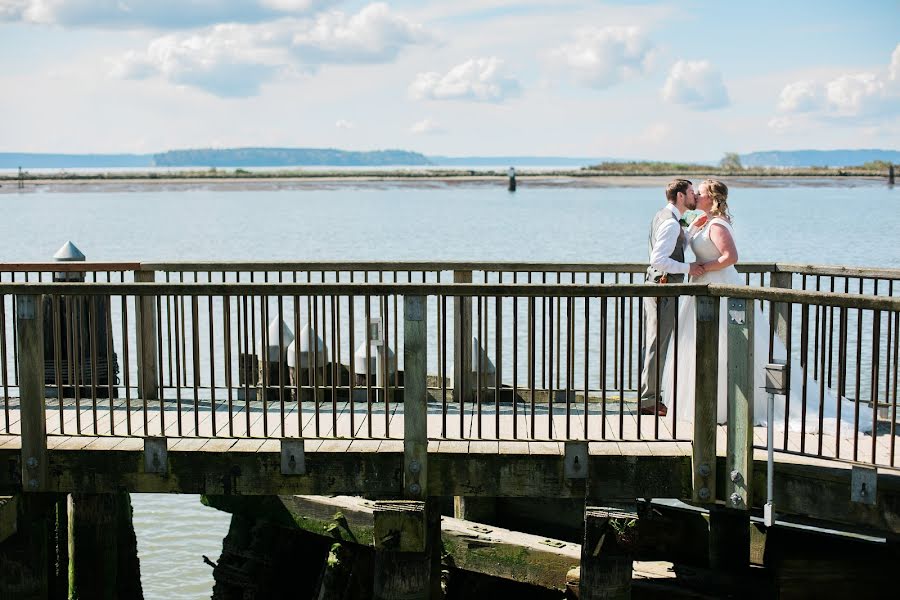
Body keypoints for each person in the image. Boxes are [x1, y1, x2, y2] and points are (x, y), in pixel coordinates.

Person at [660, 179, 873, 433]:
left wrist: (702, 268)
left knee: (727, 345)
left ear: (711, 198)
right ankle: (706, 403)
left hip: (719, 285)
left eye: (701, 192)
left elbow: (731, 257)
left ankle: (730, 406)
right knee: (701, 343)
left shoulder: (717, 224)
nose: (696, 194)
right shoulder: (703, 221)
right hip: (702, 287)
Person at [639, 179, 705, 416]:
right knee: (658, 343)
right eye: (690, 192)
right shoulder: (670, 223)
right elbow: (658, 259)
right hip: (663, 288)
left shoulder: (667, 217)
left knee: (657, 341)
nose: (694, 195)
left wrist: (692, 229)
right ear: (680, 196)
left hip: (659, 287)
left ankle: (652, 396)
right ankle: (649, 400)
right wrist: (689, 268)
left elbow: (675, 242)